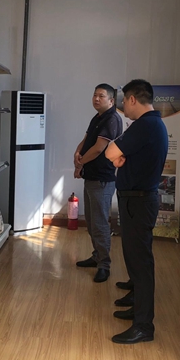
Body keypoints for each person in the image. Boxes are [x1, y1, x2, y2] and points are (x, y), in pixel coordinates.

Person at [105, 79, 168, 344]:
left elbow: (110, 152)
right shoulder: (153, 124)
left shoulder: (145, 125)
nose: (123, 107)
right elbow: (118, 155)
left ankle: (143, 326)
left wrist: (118, 157)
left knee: (141, 263)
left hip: (139, 202)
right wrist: (120, 158)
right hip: (138, 200)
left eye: (124, 101)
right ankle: (137, 306)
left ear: (132, 99)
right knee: (135, 258)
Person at [73, 84, 123, 283]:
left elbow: (98, 148)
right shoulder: (98, 118)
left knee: (100, 224)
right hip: (91, 177)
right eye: (94, 95)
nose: (96, 99)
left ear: (111, 100)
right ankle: (97, 256)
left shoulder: (112, 119)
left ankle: (104, 265)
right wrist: (77, 154)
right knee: (92, 222)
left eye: (101, 96)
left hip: (102, 179)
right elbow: (86, 141)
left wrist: (80, 162)